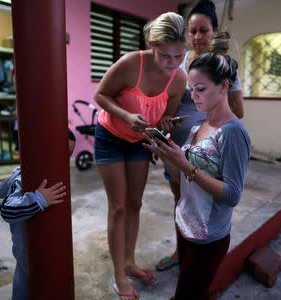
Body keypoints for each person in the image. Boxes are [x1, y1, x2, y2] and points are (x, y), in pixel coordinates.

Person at [93, 12, 187, 300]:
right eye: (166, 56)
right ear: (152, 44)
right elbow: (101, 95)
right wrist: (124, 115)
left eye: (179, 56)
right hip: (110, 137)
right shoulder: (130, 64)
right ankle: (118, 275)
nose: (172, 63)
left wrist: (166, 124)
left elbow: (166, 114)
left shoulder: (179, 78)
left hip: (139, 142)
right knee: (118, 207)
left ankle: (129, 262)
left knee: (135, 203)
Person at [143, 50, 250, 300]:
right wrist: (168, 154)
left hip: (208, 237)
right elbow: (183, 178)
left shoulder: (233, 132)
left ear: (224, 86)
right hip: (185, 224)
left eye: (200, 88)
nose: (193, 96)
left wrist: (188, 167)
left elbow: (232, 195)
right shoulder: (199, 126)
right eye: (191, 89)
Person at [156, 0, 244, 272]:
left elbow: (237, 112)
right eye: (192, 31)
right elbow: (166, 102)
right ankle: (180, 250)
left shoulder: (224, 67)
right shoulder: (179, 63)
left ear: (214, 31)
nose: (197, 37)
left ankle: (199, 254)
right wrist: (166, 122)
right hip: (178, 144)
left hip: (207, 150)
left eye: (203, 30)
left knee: (203, 201)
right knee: (181, 200)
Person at [0, 129, 76, 300]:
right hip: (26, 255)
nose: (64, 160)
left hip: (42, 256)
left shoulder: (54, 177)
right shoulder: (24, 177)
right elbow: (6, 210)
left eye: (68, 155)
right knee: (23, 291)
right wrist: (38, 200)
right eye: (60, 153)